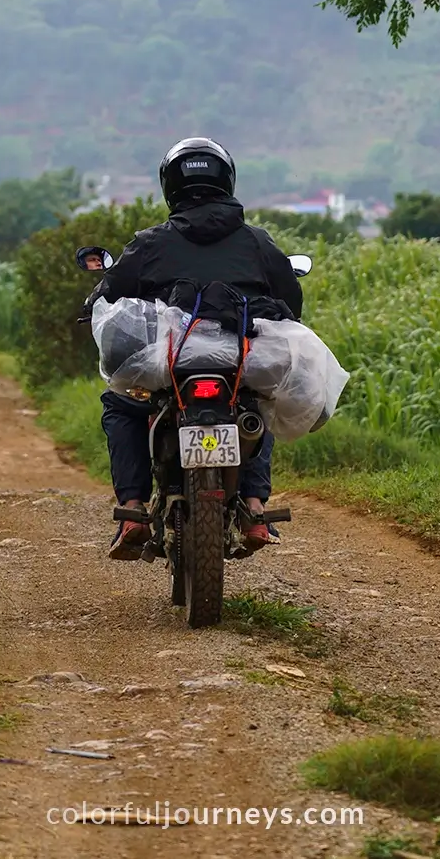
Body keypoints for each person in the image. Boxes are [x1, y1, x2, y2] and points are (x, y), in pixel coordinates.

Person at [89, 137, 303, 561]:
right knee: (254, 408)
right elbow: (290, 300)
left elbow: (110, 292)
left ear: (170, 186)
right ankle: (256, 509)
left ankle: (132, 511)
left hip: (172, 361)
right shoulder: (257, 242)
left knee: (122, 406)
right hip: (238, 359)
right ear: (227, 181)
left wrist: (93, 304)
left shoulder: (150, 242)